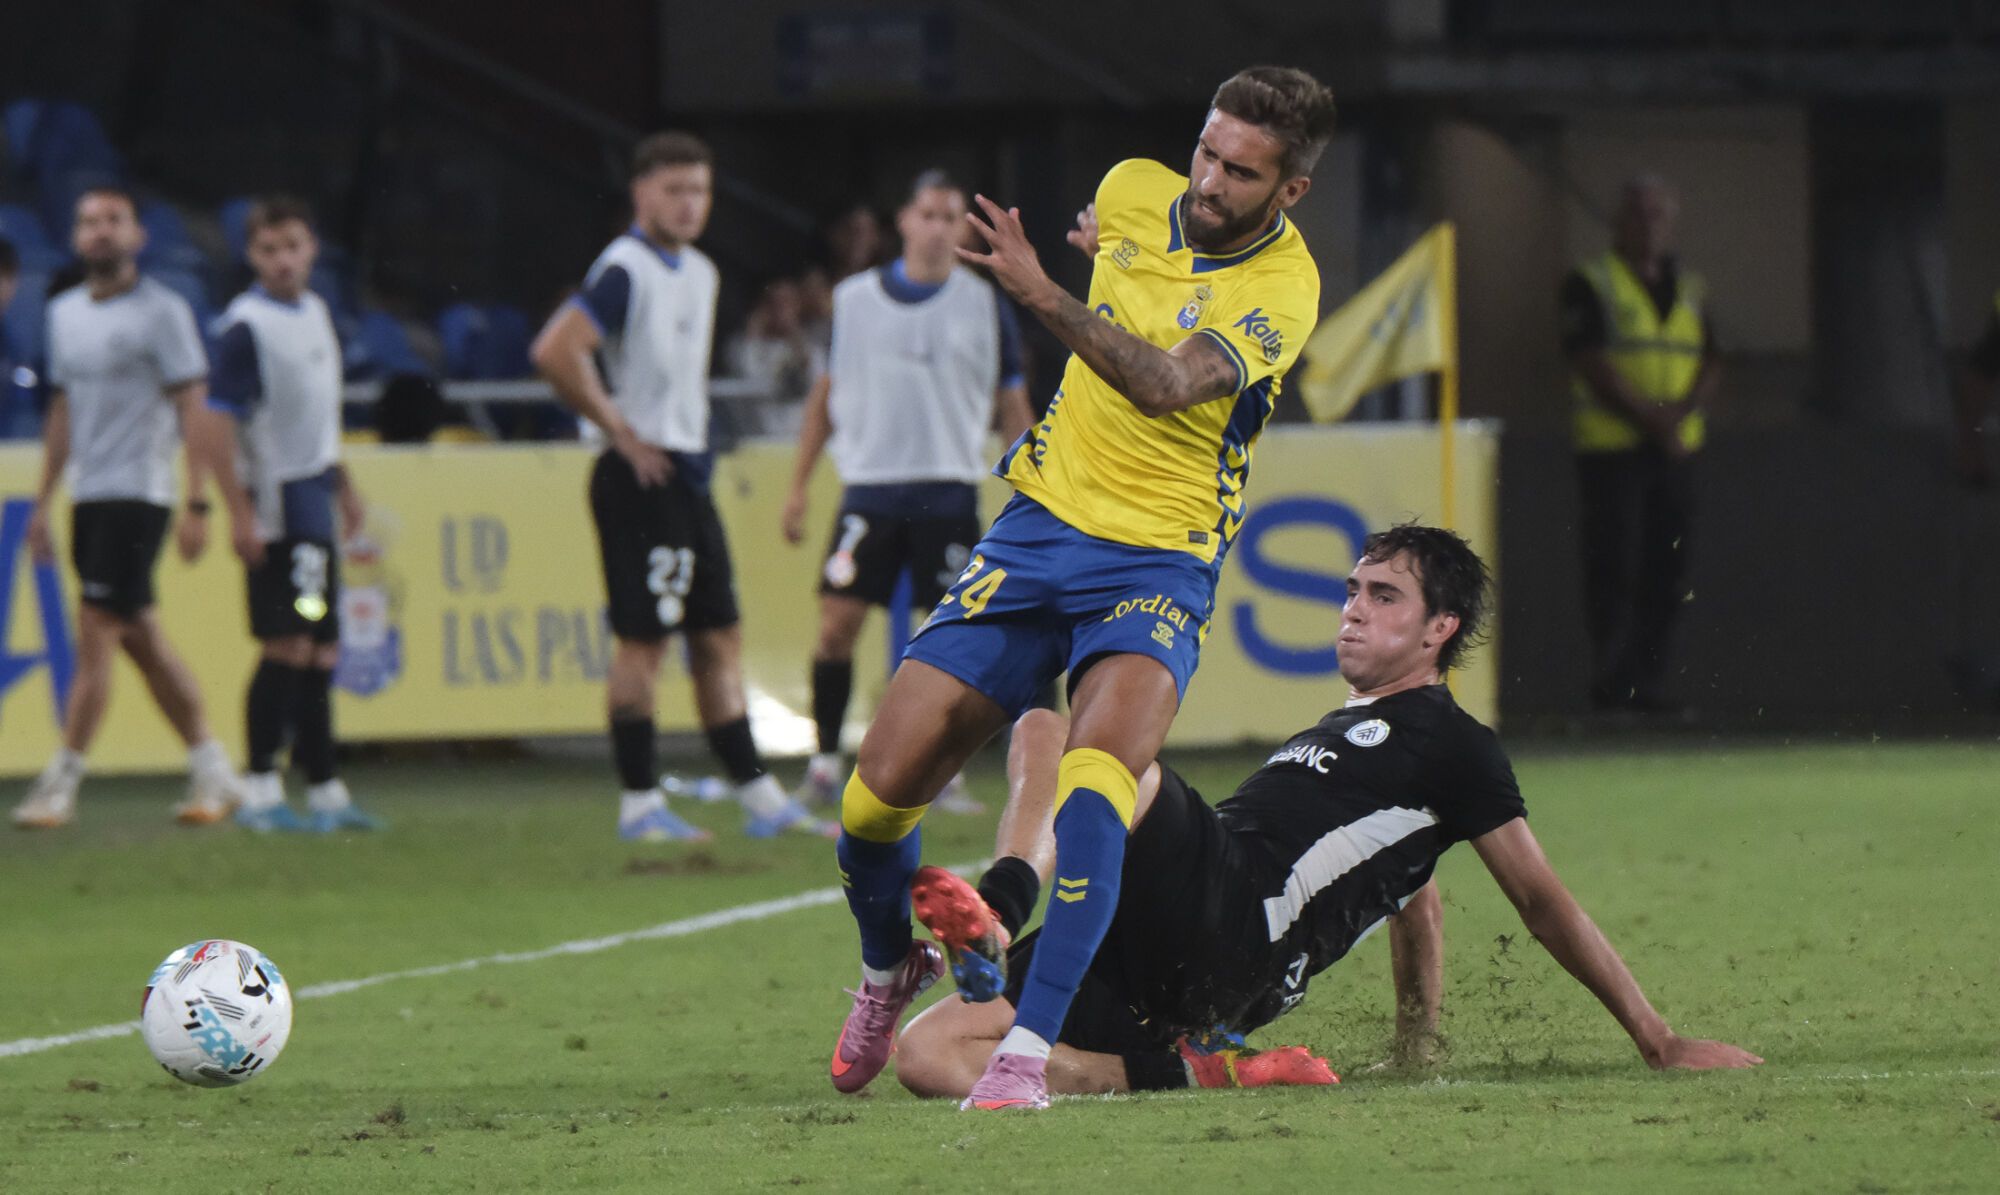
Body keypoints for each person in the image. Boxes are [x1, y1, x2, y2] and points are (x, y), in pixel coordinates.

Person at [828, 66, 1333, 1110]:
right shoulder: (1134, 188)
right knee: (871, 802)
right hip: (1037, 528)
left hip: (1157, 557)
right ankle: (888, 971)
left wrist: (1040, 291)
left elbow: (1161, 384)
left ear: (1289, 192)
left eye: (1239, 172)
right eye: (1204, 149)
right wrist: (1095, 260)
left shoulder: (1286, 288)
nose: (1207, 179)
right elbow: (1131, 259)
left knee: (1098, 781)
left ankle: (1023, 1054)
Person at [891, 524, 1763, 1106]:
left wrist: (1657, 1039)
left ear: (1439, 629)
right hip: (1157, 951)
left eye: (1384, 595)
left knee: (1068, 733)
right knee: (925, 1055)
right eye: (1353, 589)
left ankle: (1001, 906)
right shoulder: (1344, 730)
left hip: (1235, 927)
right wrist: (1416, 1043)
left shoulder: (1457, 746)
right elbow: (1413, 896)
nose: (1353, 607)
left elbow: (1540, 899)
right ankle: (1190, 1077)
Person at [530, 131, 831, 843]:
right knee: (644, 643)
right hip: (641, 474)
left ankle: (756, 794)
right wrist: (618, 429)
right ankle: (638, 805)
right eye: (675, 190)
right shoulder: (625, 267)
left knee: (719, 633)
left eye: (700, 190)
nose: (691, 204)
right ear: (641, 194)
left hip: (688, 472)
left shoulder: (698, 270)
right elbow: (556, 348)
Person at [780, 169, 1035, 811]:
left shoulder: (984, 302)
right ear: (904, 220)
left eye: (952, 217)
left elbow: (1012, 400)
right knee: (836, 625)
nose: (939, 228)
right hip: (869, 489)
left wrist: (1036, 486)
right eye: (929, 214)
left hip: (947, 489)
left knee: (946, 639)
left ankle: (938, 770)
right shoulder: (855, 299)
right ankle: (822, 759)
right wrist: (799, 487)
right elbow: (827, 395)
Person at [10, 187, 247, 829]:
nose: (101, 232)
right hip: (90, 495)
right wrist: (42, 501)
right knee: (142, 640)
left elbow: (194, 406)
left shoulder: (163, 313)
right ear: (75, 236)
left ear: (138, 235)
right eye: (89, 221)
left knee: (97, 632)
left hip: (140, 492)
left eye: (114, 220)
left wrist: (197, 499)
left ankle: (62, 781)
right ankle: (213, 768)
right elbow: (63, 411)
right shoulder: (63, 314)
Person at [203, 196, 379, 833]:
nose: (283, 260)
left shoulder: (316, 312)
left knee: (322, 646)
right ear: (251, 256)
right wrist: (239, 510)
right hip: (277, 507)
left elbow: (315, 420)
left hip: (314, 503)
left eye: (293, 247)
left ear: (312, 250)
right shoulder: (246, 326)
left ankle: (327, 789)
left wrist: (344, 484)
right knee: (288, 641)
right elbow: (216, 420)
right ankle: (258, 788)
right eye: (269, 250)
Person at [1562, 175, 1720, 715]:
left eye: (1657, 215)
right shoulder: (1591, 282)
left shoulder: (1690, 287)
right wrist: (1657, 420)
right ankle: (1611, 687)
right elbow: (1591, 361)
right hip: (1614, 453)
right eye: (1638, 215)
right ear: (1619, 222)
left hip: (1674, 454)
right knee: (1615, 569)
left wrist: (1678, 418)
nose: (1649, 225)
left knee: (1666, 571)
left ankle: (1650, 686)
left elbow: (1711, 359)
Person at [726, 276, 825, 405]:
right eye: (773, 302)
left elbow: (817, 384)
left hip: (798, 422)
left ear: (798, 306)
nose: (781, 309)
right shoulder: (740, 345)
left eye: (787, 302)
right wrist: (754, 333)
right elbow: (749, 378)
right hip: (757, 421)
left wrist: (797, 338)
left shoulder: (813, 347)